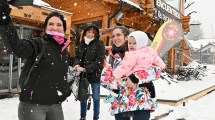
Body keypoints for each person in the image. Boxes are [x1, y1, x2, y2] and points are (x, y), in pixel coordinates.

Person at [0, 1, 71, 120]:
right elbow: (18, 48)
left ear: (64, 29)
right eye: (51, 24)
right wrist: (4, 19)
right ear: (46, 28)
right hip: (33, 105)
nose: (55, 27)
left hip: (56, 104)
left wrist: (64, 89)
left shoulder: (64, 51)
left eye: (59, 25)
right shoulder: (39, 44)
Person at [101, 26, 164, 120]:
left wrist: (136, 79)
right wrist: (126, 83)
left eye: (118, 35)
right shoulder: (111, 58)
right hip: (120, 103)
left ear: (127, 37)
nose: (115, 38)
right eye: (113, 36)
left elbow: (156, 71)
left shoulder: (142, 52)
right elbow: (104, 80)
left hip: (140, 100)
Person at [74, 24, 106, 120]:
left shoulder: (99, 43)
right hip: (83, 75)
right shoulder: (81, 43)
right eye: (89, 32)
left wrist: (86, 68)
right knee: (83, 97)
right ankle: (82, 116)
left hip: (95, 74)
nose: (90, 34)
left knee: (96, 98)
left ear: (96, 34)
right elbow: (77, 57)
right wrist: (77, 64)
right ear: (85, 32)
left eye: (93, 32)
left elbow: (100, 61)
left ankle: (96, 117)